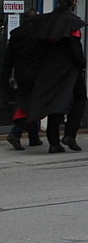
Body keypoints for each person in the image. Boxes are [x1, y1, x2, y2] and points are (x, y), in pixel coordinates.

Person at [29, 0, 87, 153]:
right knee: (80, 97)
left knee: (54, 103)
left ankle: (54, 142)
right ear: (74, 2)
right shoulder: (72, 22)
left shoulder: (48, 19)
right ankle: (70, 134)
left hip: (49, 68)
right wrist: (82, 63)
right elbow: (75, 47)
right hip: (69, 69)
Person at [1, 8, 42, 149]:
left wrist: (5, 77)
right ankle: (15, 132)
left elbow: (9, 58)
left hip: (20, 73)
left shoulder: (16, 34)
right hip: (36, 73)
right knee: (33, 104)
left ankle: (34, 136)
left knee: (28, 102)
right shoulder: (38, 33)